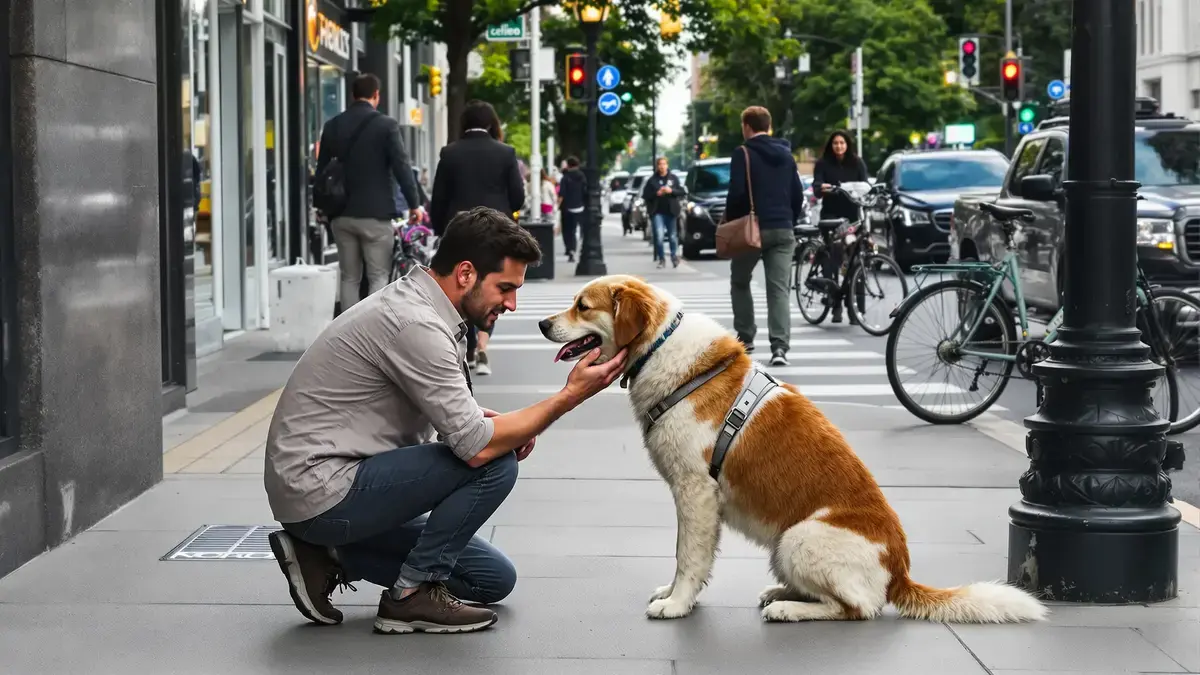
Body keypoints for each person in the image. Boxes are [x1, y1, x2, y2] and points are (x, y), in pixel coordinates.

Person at [264, 206, 630, 635]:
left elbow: (448, 416)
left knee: (492, 579)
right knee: (494, 463)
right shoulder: (415, 323)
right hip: (322, 488)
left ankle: (324, 552)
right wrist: (571, 396)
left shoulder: (428, 309)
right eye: (506, 288)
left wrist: (489, 423)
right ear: (466, 273)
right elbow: (475, 448)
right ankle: (410, 596)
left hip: (340, 485)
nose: (512, 304)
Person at [429, 100, 525, 376]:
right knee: (492, 285)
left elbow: (438, 199)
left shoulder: (449, 154)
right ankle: (482, 346)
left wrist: (440, 231)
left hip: (459, 231)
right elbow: (517, 197)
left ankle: (468, 347)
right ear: (492, 123)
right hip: (497, 231)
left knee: (465, 284)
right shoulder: (506, 153)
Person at [315, 73, 422, 311]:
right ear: (376, 96)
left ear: (352, 95)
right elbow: (401, 166)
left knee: (349, 277)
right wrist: (415, 203)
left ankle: (347, 333)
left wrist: (320, 207)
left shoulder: (332, 126)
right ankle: (374, 333)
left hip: (341, 214)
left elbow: (321, 171)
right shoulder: (386, 126)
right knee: (378, 276)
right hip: (376, 214)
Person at [724, 105, 807, 367]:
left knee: (740, 281)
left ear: (747, 127)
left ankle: (746, 337)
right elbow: (798, 193)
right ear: (768, 126)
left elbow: (737, 194)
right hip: (783, 227)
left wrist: (731, 220)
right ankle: (780, 347)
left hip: (752, 229)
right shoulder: (786, 154)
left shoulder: (743, 153)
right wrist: (788, 220)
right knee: (779, 289)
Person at [811, 130, 870, 324]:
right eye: (835, 143)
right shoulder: (823, 163)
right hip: (831, 218)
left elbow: (866, 185)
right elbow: (817, 186)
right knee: (832, 259)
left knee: (855, 260)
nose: (839, 146)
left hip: (853, 217)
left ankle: (856, 309)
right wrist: (823, 187)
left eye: (842, 143)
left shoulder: (857, 162)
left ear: (847, 145)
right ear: (831, 145)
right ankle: (834, 304)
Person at [641, 156, 685, 269]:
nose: (662, 166)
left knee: (672, 237)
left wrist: (671, 191)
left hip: (671, 211)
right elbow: (645, 196)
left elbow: (681, 192)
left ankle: (674, 256)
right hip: (658, 212)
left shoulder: (673, 178)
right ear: (657, 166)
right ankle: (661, 258)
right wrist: (657, 193)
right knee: (659, 236)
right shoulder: (652, 180)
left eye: (664, 164)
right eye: (660, 164)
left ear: (667, 165)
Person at [557, 156, 587, 263]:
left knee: (568, 230)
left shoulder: (565, 177)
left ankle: (570, 249)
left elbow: (562, 194)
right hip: (580, 207)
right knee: (577, 229)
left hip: (567, 208)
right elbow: (585, 191)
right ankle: (575, 247)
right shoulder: (582, 176)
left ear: (568, 165)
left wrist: (557, 205)